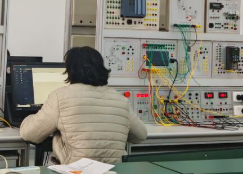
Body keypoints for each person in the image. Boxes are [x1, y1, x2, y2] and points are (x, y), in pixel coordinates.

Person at [19, 46, 147, 164]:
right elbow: (141, 135)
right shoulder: (121, 100)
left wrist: (28, 119)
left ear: (70, 71)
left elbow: (30, 134)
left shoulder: (60, 97)